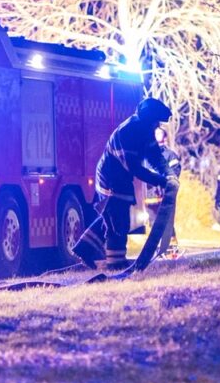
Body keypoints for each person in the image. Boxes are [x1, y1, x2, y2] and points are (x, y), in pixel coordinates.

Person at [74, 97, 175, 270]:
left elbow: (156, 157)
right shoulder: (127, 133)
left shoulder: (145, 130)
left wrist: (169, 174)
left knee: (110, 216)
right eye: (155, 122)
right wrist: (160, 180)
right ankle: (116, 263)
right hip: (110, 180)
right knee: (118, 221)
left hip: (121, 178)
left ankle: (84, 249)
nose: (157, 126)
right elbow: (134, 167)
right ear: (148, 119)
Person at [145, 128, 182, 259]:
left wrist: (165, 183)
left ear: (165, 137)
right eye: (154, 133)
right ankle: (157, 249)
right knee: (153, 223)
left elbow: (175, 171)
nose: (156, 135)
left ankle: (171, 249)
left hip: (165, 194)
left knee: (166, 221)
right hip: (150, 196)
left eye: (159, 133)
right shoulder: (146, 154)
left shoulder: (170, 155)